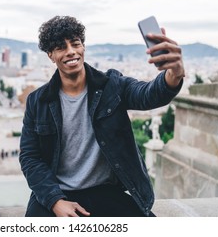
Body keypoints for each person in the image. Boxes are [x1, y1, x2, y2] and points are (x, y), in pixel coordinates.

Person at [19, 16, 185, 217]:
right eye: (61, 47)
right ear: (50, 55)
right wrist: (55, 201)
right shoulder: (38, 101)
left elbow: (148, 95)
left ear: (83, 47)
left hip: (105, 191)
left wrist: (174, 74)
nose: (71, 51)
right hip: (58, 191)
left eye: (75, 43)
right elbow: (30, 157)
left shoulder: (112, 85)